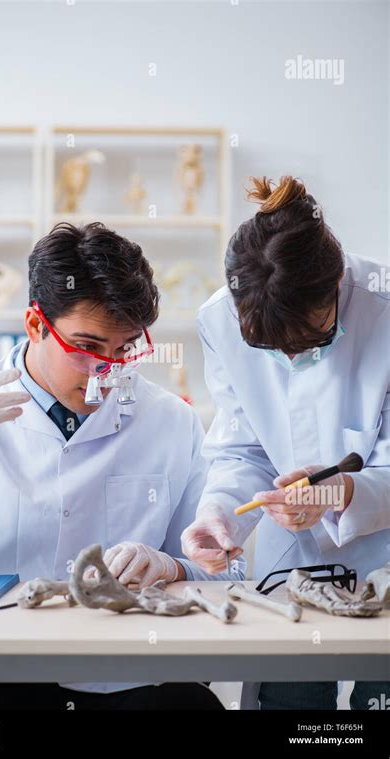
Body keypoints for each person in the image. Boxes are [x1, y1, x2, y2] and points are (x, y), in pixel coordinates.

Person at [0, 221, 243, 710]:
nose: (106, 374)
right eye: (87, 349)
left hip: (123, 674)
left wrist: (171, 566)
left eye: (125, 350)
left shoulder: (170, 420)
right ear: (34, 325)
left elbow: (221, 569)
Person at [181, 176, 390, 710]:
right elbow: (240, 448)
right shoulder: (217, 319)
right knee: (289, 704)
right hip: (290, 558)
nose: (292, 360)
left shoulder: (385, 306)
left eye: (311, 341)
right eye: (271, 347)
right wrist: (220, 515)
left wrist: (341, 491)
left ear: (337, 281)